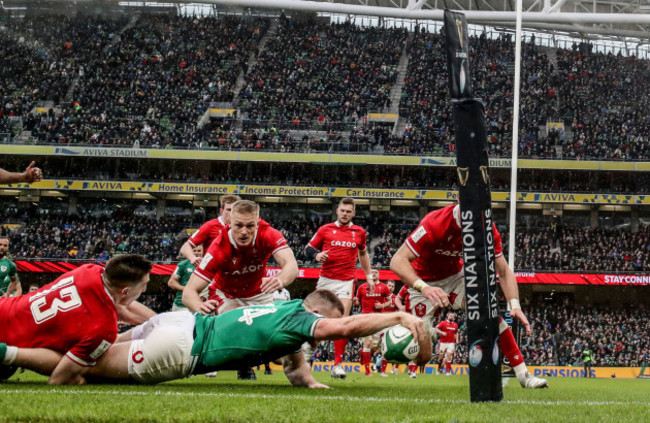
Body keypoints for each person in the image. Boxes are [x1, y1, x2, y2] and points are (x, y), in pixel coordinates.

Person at [2, 290, 432, 388]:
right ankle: (8, 352)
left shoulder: (283, 309)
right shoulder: (304, 322)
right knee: (80, 374)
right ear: (318, 312)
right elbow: (342, 329)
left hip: (176, 323)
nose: (318, 337)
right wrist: (396, 313)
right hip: (178, 350)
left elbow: (296, 366)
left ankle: (11, 352)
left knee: (84, 353)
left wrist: (310, 381)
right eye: (325, 324)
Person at [390, 203, 548, 389]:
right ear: (460, 198)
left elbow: (503, 270)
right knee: (423, 358)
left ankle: (523, 374)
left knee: (488, 310)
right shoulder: (434, 223)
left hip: (456, 276)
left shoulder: (487, 227)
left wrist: (515, 305)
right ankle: (422, 334)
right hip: (423, 283)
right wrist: (424, 288)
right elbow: (397, 261)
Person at [182, 199, 298, 380]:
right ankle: (243, 364)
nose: (244, 231)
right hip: (226, 294)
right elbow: (188, 292)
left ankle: (299, 375)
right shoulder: (218, 248)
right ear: (229, 223)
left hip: (259, 293)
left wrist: (281, 279)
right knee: (241, 320)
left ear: (258, 223)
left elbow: (291, 265)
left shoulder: (269, 234)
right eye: (238, 225)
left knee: (284, 334)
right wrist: (199, 307)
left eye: (250, 225)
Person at [0, 254, 154, 384]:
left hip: (4, 308)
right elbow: (58, 378)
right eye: (144, 285)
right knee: (70, 362)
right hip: (5, 341)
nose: (145, 290)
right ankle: (5, 353)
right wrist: (80, 378)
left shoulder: (89, 270)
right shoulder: (104, 329)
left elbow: (122, 305)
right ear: (125, 290)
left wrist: (160, 321)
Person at [305, 197, 375, 379]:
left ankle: (337, 365)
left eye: (348, 211)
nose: (345, 214)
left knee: (342, 320)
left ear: (354, 213)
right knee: (316, 319)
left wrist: (368, 276)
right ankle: (306, 358)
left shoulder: (359, 232)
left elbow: (363, 253)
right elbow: (308, 248)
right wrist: (317, 255)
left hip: (346, 281)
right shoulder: (325, 229)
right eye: (342, 211)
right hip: (326, 280)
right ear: (337, 211)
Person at [179, 194, 241, 267]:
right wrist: (193, 258)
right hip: (212, 273)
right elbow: (185, 247)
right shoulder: (210, 226)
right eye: (228, 210)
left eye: (234, 210)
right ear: (221, 211)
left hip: (235, 272)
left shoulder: (244, 228)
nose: (231, 213)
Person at [354, 270, 390, 377]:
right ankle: (367, 372)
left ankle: (362, 354)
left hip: (378, 319)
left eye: (376, 272)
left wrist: (382, 306)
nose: (374, 274)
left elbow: (389, 302)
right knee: (367, 343)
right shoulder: (362, 287)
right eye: (372, 272)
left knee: (374, 347)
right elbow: (357, 302)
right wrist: (355, 301)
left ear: (379, 275)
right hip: (365, 318)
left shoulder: (384, 287)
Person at [167, 245, 204, 312]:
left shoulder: (208, 264)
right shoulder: (183, 264)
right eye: (194, 251)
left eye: (199, 251)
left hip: (200, 305)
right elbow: (171, 282)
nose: (196, 253)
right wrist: (186, 289)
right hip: (181, 305)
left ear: (203, 251)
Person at [435, 311, 459, 376]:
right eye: (451, 316)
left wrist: (457, 339)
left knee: (449, 356)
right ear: (447, 316)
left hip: (451, 343)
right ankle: (439, 369)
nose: (452, 317)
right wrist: (442, 333)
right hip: (442, 342)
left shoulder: (455, 325)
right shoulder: (443, 323)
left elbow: (456, 332)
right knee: (441, 358)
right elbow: (436, 329)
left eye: (453, 316)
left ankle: (448, 372)